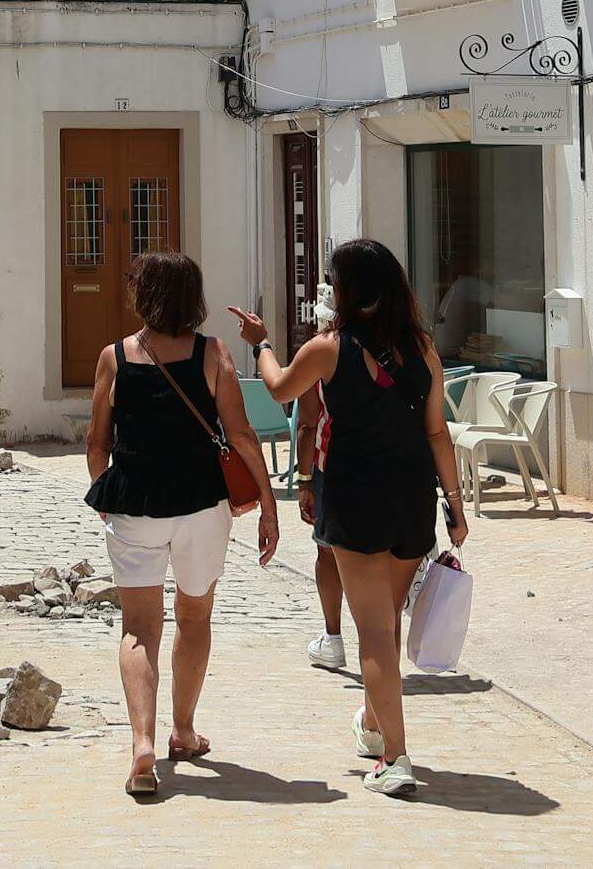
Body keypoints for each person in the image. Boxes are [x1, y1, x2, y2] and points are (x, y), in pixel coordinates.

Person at [232, 239, 465, 797]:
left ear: (346, 290)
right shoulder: (424, 351)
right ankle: (372, 722)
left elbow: (281, 385)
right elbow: (437, 432)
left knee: (375, 635)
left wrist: (260, 342)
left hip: (355, 498)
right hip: (411, 498)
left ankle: (396, 757)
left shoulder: (327, 349)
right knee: (385, 618)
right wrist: (456, 504)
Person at [85, 251, 280, 797]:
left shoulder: (113, 358)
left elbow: (97, 442)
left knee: (138, 627)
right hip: (201, 507)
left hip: (135, 504)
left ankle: (142, 744)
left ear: (143, 296)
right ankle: (184, 731)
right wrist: (267, 502)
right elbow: (241, 435)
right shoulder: (214, 353)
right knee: (194, 617)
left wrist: (107, 495)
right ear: (193, 297)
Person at [292, 283, 345, 671]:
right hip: (385, 465)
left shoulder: (322, 351)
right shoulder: (391, 346)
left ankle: (333, 636)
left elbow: (308, 423)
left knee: (327, 551)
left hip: (333, 463)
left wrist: (305, 480)